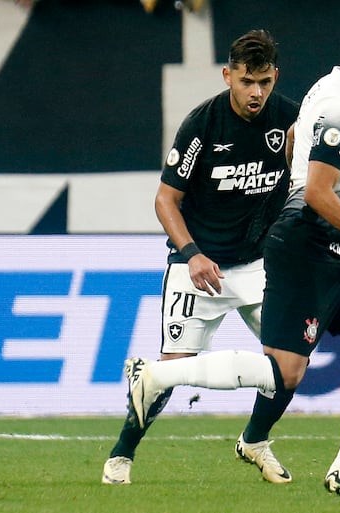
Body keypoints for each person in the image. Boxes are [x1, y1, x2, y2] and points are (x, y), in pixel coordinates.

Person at [125, 18, 340, 498]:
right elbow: (316, 193)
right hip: (304, 244)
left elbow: (293, 151)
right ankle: (159, 373)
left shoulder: (326, 94)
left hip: (323, 249)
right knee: (285, 370)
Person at [101, 29, 299, 485]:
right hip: (198, 267)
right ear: (228, 75)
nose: (256, 93)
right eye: (247, 82)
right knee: (169, 374)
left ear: (276, 79)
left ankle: (255, 441)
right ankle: (122, 454)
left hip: (257, 266)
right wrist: (191, 254)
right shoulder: (202, 125)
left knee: (289, 364)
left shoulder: (291, 121)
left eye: (265, 82)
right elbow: (165, 200)